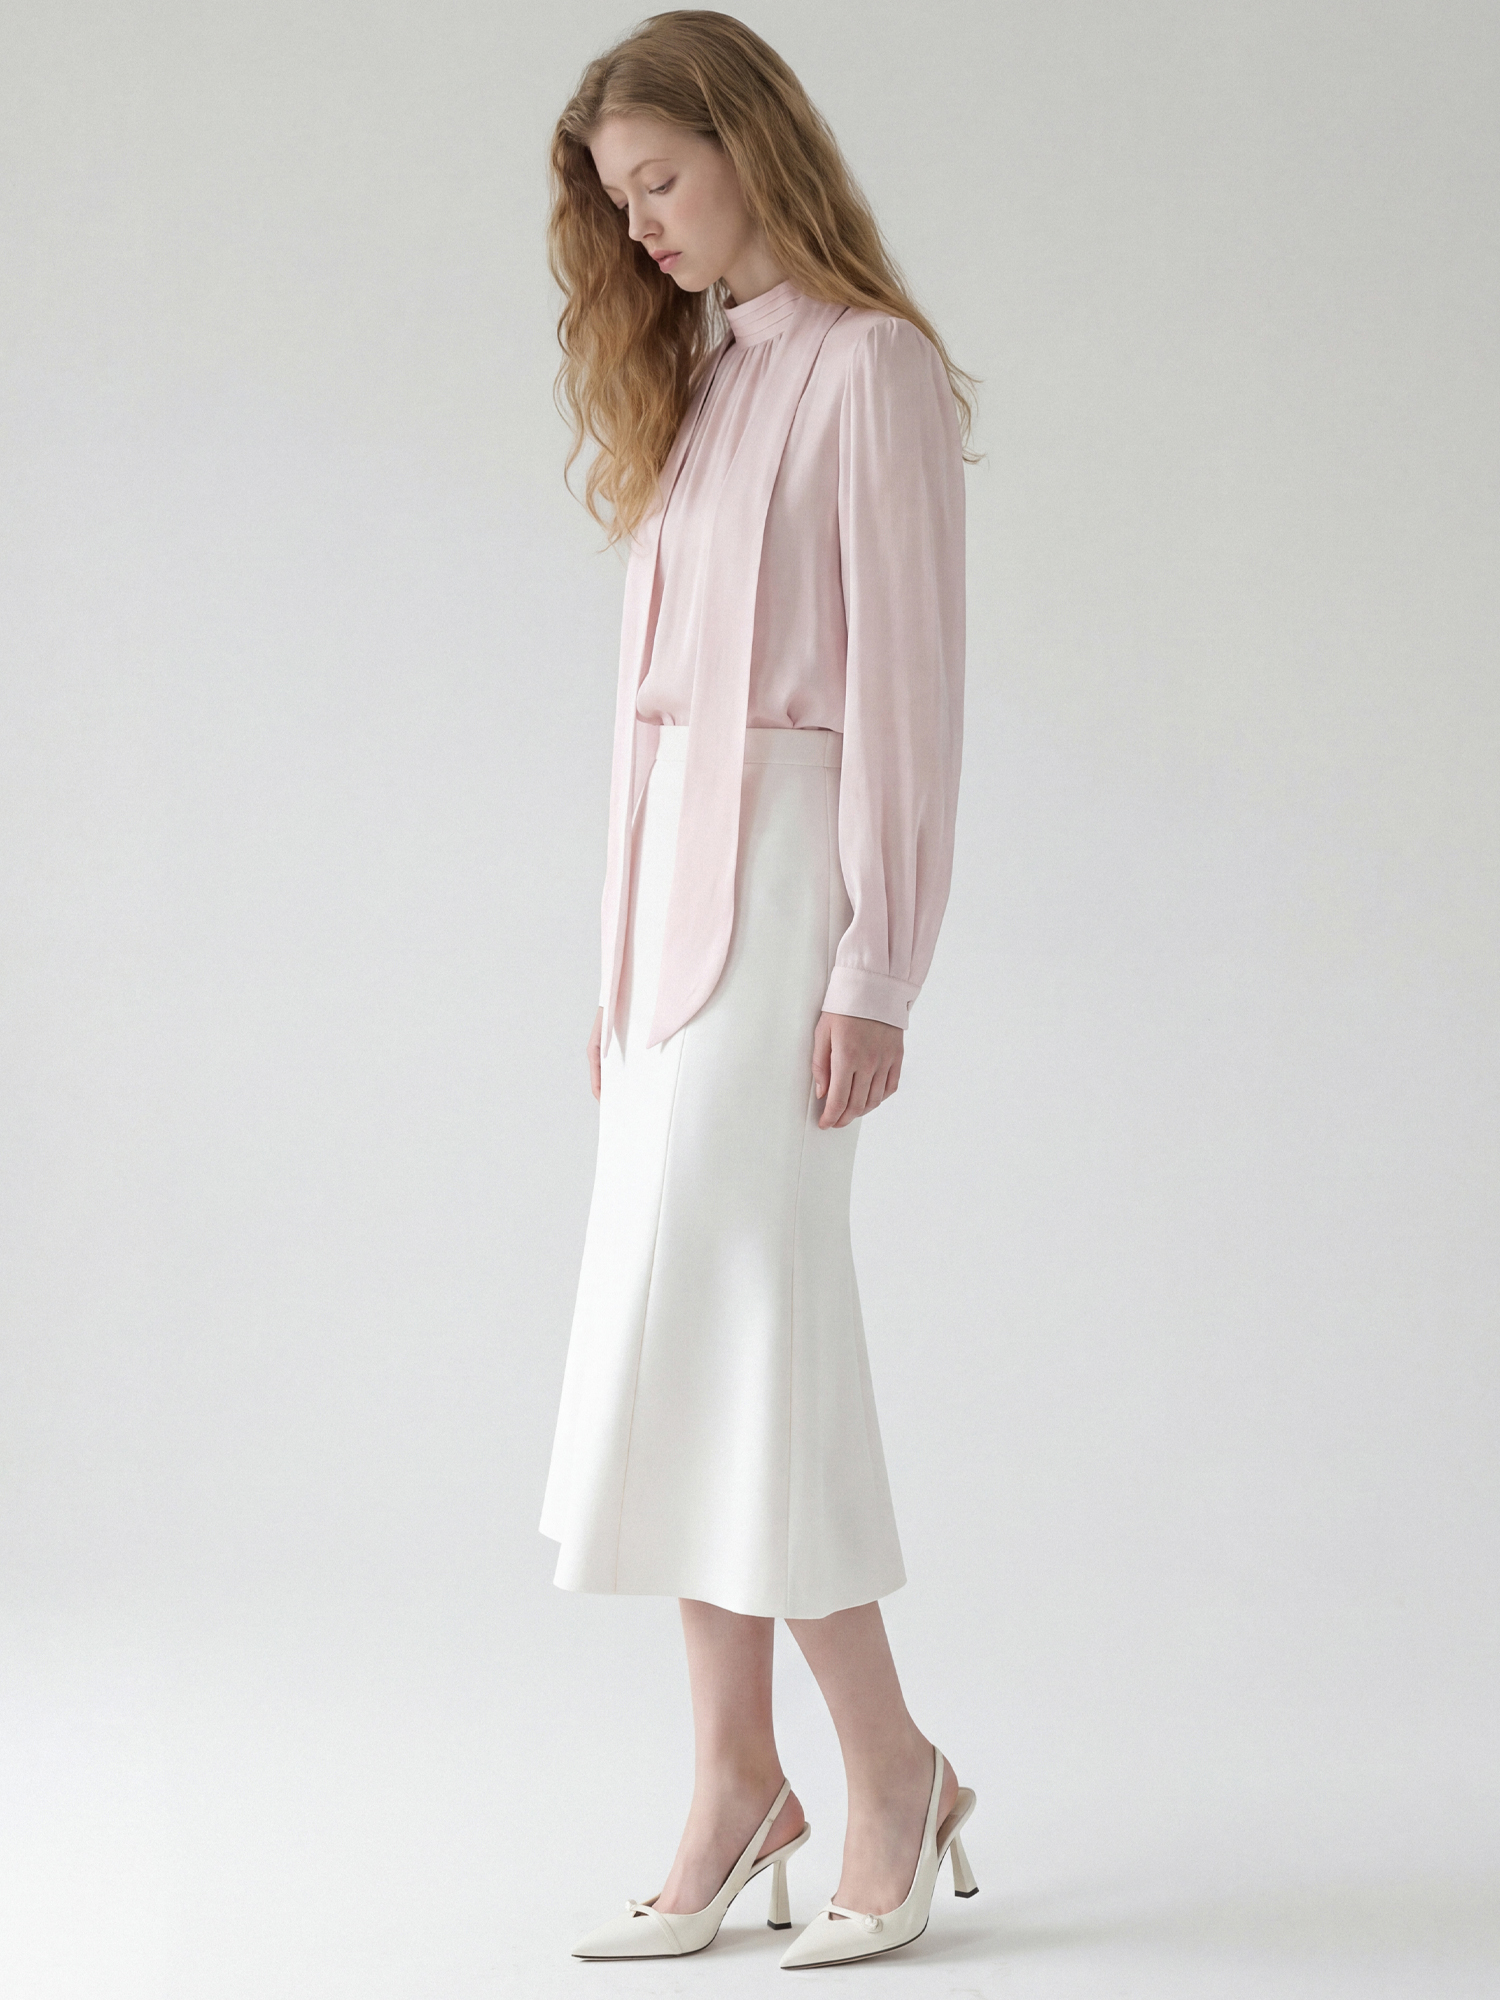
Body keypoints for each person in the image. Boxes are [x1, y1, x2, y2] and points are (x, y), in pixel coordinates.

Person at [538, 10, 977, 1969]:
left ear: (751, 145)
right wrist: (613, 960)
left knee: (752, 1320)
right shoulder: (712, 378)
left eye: (662, 180)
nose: (641, 226)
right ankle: (739, 1776)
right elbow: (644, 719)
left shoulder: (870, 370)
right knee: (672, 1336)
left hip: (793, 890)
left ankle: (885, 1767)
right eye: (618, 200)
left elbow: (907, 690)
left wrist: (878, 963)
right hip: (666, 922)